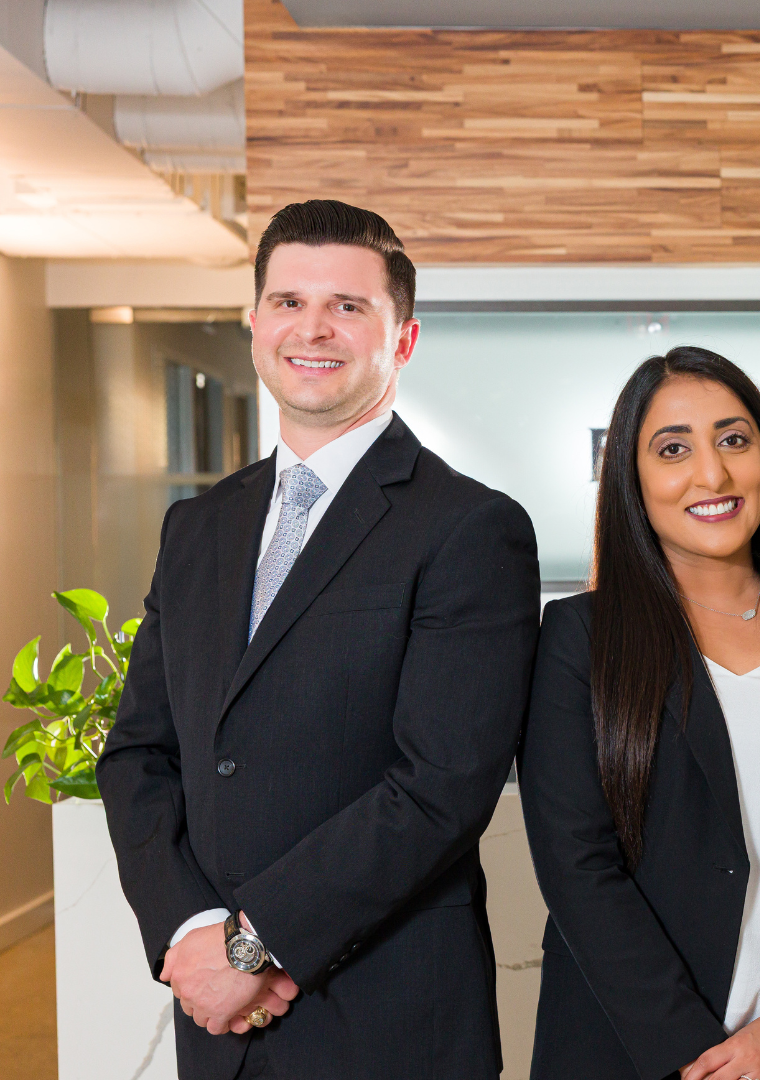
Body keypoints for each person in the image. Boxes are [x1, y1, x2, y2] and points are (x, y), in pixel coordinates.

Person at [97, 200, 541, 1078]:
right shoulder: (197, 526)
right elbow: (140, 754)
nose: (314, 328)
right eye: (289, 301)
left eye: (348, 306)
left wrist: (253, 951)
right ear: (256, 322)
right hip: (220, 1026)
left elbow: (438, 790)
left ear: (402, 339)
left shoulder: (470, 528)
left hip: (382, 1018)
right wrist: (192, 934)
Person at [518, 346, 760, 1080]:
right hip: (627, 1052)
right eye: (673, 449)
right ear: (632, 478)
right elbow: (578, 867)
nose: (712, 474)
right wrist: (693, 1056)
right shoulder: (579, 640)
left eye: (734, 439)